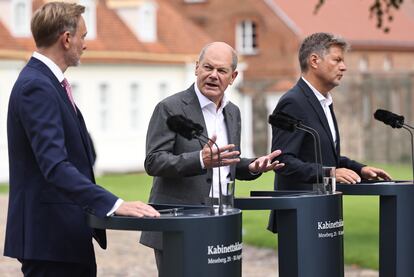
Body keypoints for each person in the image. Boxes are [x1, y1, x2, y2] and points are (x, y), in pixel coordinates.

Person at [4, 2, 159, 277]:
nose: (85, 44)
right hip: (50, 241)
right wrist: (115, 204)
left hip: (63, 238)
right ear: (66, 39)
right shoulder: (36, 87)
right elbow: (55, 166)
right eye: (83, 36)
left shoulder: (47, 83)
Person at [140, 41, 284, 274]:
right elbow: (154, 161)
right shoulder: (170, 108)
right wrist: (199, 159)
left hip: (221, 222)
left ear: (233, 76)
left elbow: (224, 163)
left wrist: (253, 167)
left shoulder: (233, 112)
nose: (213, 75)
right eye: (208, 68)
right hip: (178, 224)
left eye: (222, 70)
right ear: (197, 68)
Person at [269, 32, 392, 190]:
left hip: (326, 207)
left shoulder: (324, 101)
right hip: (300, 209)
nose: (344, 67)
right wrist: (328, 173)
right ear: (314, 61)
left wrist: (360, 169)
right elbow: (282, 161)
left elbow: (325, 157)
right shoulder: (293, 102)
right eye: (337, 60)